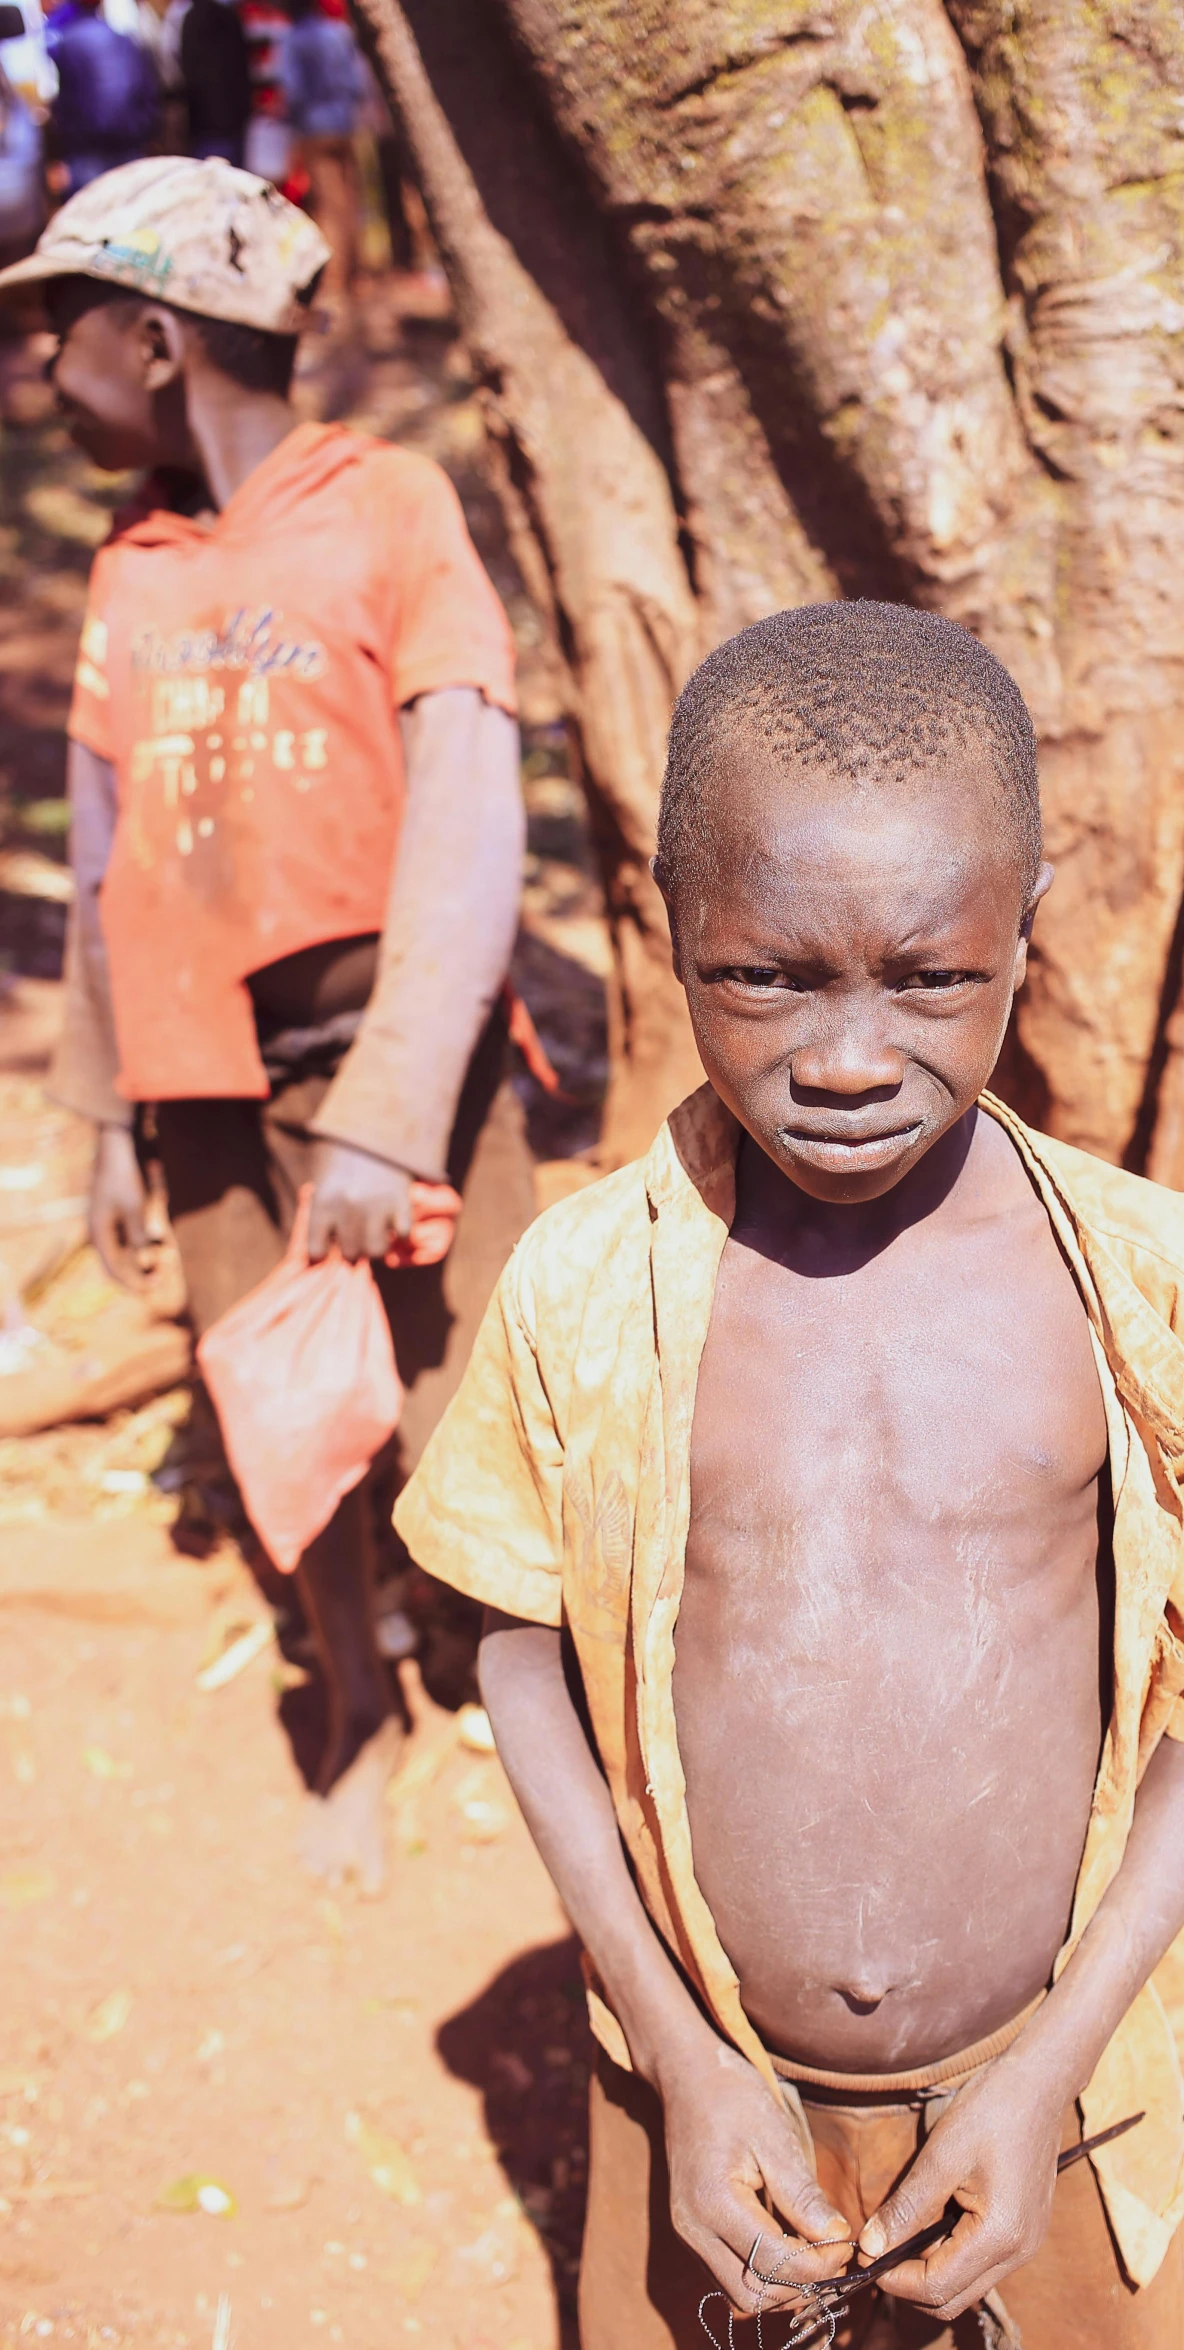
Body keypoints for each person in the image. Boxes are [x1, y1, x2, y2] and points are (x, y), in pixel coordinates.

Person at [395, 601, 1184, 2349]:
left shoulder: (1163, 1295)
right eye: (764, 975)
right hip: (701, 2101)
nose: (849, 1060)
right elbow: (509, 1647)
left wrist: (1046, 2075)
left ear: (1022, 934)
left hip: (1051, 2109)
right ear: (670, 927)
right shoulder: (583, 1288)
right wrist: (680, 2051)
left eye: (930, 978)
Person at [0, 154, 534, 1894]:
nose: (34, 364)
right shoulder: (137, 565)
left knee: (476, 1411)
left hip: (412, 1078)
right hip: (207, 1091)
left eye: (55, 324)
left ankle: (525, 1697)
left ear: (150, 340)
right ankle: (356, 1713)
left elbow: (466, 808)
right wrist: (100, 1118)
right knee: (283, 1424)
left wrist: (390, 1111)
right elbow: (101, 861)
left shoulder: (387, 507)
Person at [276, 0, 359, 302]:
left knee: (327, 205)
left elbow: (293, 90)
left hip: (314, 128)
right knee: (348, 201)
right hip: (345, 126)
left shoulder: (294, 38)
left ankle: (335, 280)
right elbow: (355, 83)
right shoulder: (339, 33)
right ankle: (353, 272)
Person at [45, 0, 159, 191]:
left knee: (92, 213)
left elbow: (64, 100)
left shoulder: (67, 41)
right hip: (129, 143)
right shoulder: (125, 39)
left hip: (88, 149)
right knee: (131, 207)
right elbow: (146, 88)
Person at [178, 0, 248, 164]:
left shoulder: (192, 18)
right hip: (231, 122)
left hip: (206, 125)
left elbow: (189, 71)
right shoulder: (229, 16)